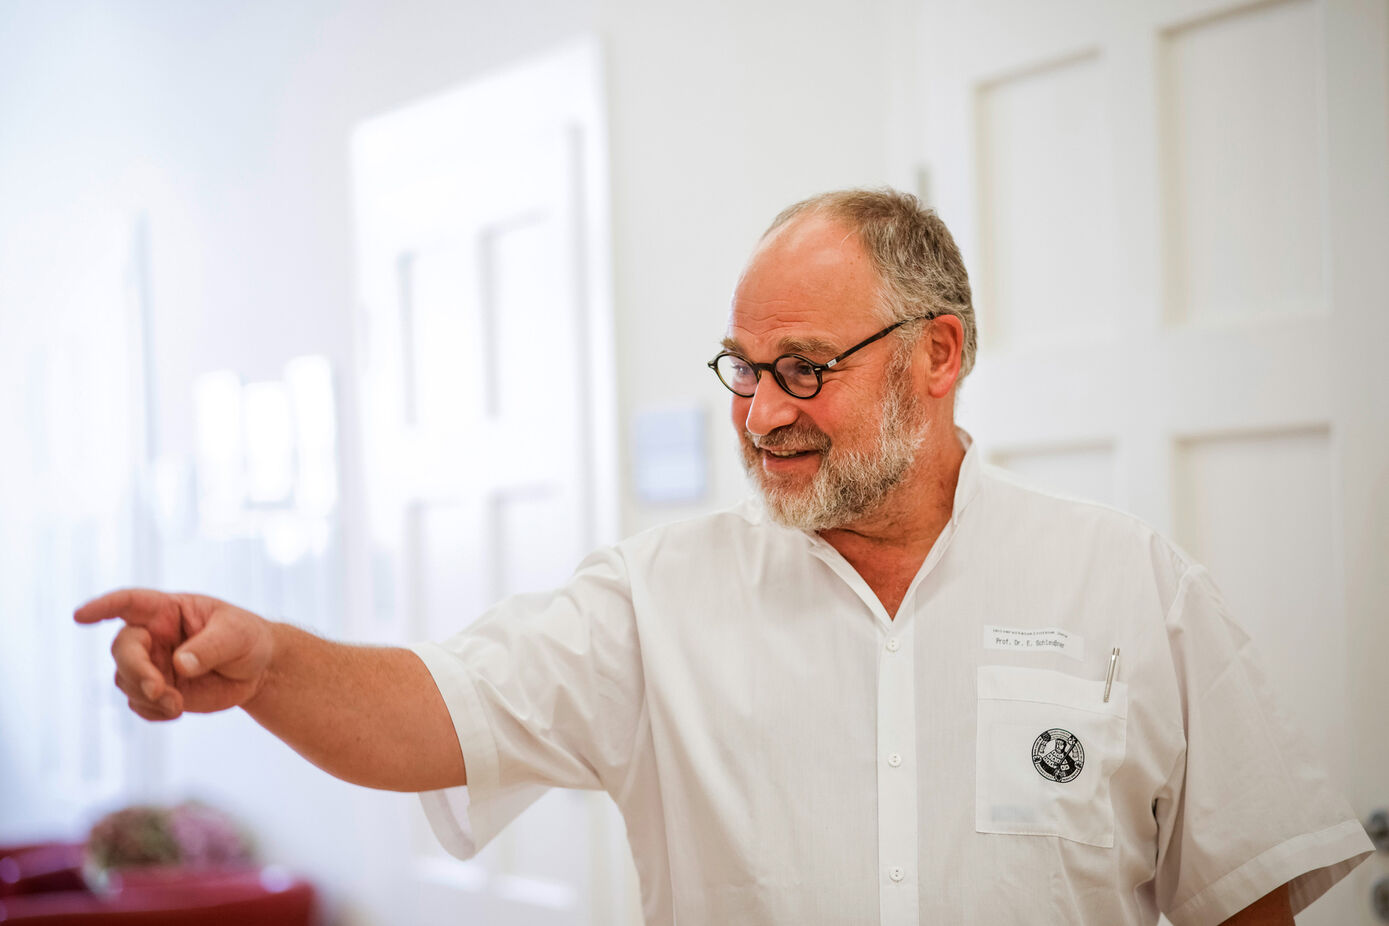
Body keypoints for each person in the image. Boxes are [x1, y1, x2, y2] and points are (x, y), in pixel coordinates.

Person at [78, 189, 1371, 925]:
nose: (760, 413)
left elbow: (1246, 890)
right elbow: (432, 714)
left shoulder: (1126, 586)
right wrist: (267, 664)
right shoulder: (656, 601)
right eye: (742, 372)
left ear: (937, 355)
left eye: (804, 368)